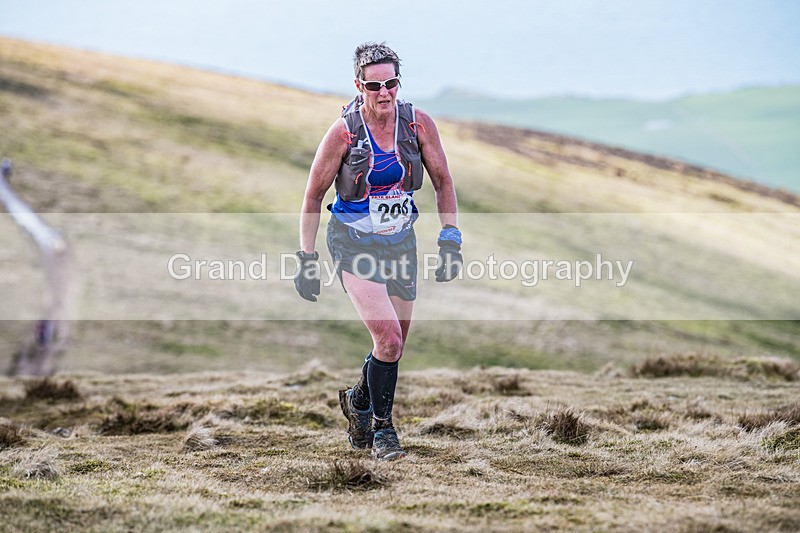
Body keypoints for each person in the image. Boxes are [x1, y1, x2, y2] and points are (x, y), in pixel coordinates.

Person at [294, 42, 462, 461]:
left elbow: (443, 181)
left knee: (397, 343)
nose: (384, 93)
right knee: (386, 338)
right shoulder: (344, 133)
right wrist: (306, 259)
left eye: (390, 83)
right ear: (359, 85)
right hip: (353, 242)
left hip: (400, 240)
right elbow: (313, 195)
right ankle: (383, 432)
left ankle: (358, 400)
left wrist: (450, 238)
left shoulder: (418, 124)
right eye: (374, 86)